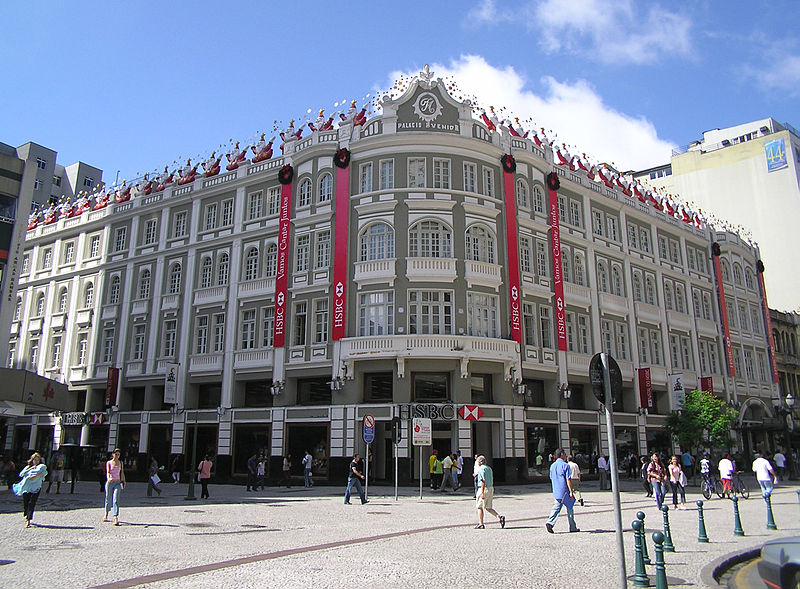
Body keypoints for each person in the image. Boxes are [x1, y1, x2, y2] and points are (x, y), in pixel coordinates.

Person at [546, 449, 578, 533]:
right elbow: (568, 479)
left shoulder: (552, 466)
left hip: (556, 490)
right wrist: (571, 491)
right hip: (564, 490)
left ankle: (550, 522)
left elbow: (551, 477)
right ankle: (572, 527)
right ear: (562, 454)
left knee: (557, 506)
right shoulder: (565, 465)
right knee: (570, 508)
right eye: (565, 454)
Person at [14, 453, 47, 528]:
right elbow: (21, 474)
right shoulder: (28, 467)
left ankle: (28, 519)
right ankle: (26, 515)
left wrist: (35, 476)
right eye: (35, 460)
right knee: (26, 503)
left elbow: (44, 473)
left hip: (36, 487)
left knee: (32, 503)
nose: (36, 461)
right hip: (26, 487)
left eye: (38, 460)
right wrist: (30, 468)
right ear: (32, 460)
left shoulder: (41, 467)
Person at [474, 455, 504, 529]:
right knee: (488, 507)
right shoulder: (489, 468)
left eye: (477, 461)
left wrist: (482, 492)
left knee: (479, 506)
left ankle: (481, 524)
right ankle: (499, 517)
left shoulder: (481, 469)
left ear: (480, 462)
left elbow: (483, 481)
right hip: (490, 488)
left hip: (484, 488)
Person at [103, 448, 126, 526]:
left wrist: (123, 481)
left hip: (117, 482)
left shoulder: (120, 463)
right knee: (108, 498)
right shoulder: (109, 463)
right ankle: (106, 514)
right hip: (110, 482)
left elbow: (122, 472)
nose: (117, 456)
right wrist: (108, 478)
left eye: (118, 454)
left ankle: (115, 517)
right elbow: (108, 472)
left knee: (116, 499)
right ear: (112, 454)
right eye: (116, 454)